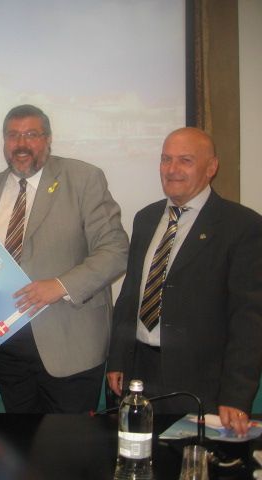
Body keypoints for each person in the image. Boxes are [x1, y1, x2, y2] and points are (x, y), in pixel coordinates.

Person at [0, 105, 128, 413]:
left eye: (31, 134)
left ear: (48, 139)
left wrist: (60, 285)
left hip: (70, 344)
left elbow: (115, 249)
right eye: (12, 135)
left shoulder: (83, 178)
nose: (21, 144)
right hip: (8, 347)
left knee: (66, 441)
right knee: (20, 439)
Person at [107, 127, 262, 435]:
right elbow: (131, 294)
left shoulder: (242, 226)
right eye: (166, 159)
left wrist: (236, 395)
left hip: (201, 382)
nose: (172, 169)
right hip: (139, 373)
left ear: (211, 167)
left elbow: (249, 320)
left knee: (190, 458)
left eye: (185, 160)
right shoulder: (146, 218)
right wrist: (118, 358)